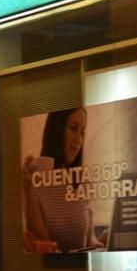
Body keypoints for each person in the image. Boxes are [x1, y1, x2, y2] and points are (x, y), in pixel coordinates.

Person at [21, 107, 106, 253]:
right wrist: (28, 188)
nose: (79, 139)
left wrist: (102, 240)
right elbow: (42, 242)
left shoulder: (83, 179)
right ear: (56, 131)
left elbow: (88, 239)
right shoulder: (34, 177)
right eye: (73, 128)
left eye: (82, 132)